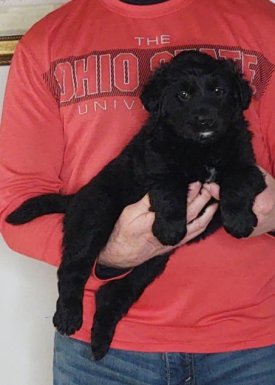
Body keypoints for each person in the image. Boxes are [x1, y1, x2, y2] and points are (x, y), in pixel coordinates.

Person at [0, 0, 275, 384]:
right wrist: (111, 252)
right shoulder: (47, 41)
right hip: (104, 357)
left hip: (254, 344)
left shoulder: (263, 22)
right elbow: (17, 203)